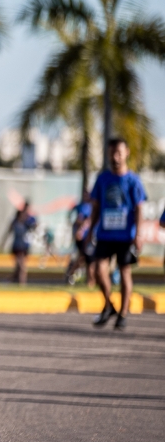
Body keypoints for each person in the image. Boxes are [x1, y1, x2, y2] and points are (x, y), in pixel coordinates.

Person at [88, 138, 146, 330]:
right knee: (99, 270)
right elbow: (96, 207)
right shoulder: (102, 179)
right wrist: (90, 230)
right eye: (112, 153)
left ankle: (123, 314)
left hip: (125, 236)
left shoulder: (133, 180)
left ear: (126, 153)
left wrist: (138, 234)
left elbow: (139, 209)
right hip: (105, 234)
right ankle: (109, 305)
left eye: (119, 153)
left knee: (124, 272)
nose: (115, 157)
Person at [3, 202, 37, 285]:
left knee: (19, 267)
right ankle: (22, 283)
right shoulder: (15, 223)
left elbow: (34, 228)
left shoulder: (27, 223)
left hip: (24, 247)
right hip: (17, 246)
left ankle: (11, 281)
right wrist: (2, 244)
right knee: (21, 266)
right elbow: (8, 233)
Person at [66, 201, 95, 286]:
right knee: (87, 259)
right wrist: (80, 230)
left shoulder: (91, 206)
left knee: (86, 259)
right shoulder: (82, 207)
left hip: (89, 237)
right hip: (84, 238)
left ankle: (89, 280)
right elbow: (79, 220)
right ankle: (90, 281)